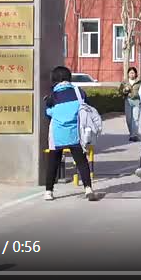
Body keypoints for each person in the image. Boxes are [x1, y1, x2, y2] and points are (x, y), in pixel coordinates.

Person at [42, 66, 98, 201]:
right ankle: (88, 189)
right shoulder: (79, 92)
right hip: (75, 134)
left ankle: (49, 191)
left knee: (53, 163)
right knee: (81, 162)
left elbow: (48, 113)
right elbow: (86, 107)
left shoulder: (52, 96)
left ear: (55, 79)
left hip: (57, 135)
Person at [119, 67, 141, 142]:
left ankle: (134, 135)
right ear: (128, 74)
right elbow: (120, 91)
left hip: (136, 101)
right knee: (128, 119)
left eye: (133, 73)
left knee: (135, 119)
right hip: (128, 101)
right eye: (130, 73)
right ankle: (131, 133)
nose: (132, 74)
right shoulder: (125, 82)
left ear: (135, 74)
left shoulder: (139, 82)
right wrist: (124, 90)